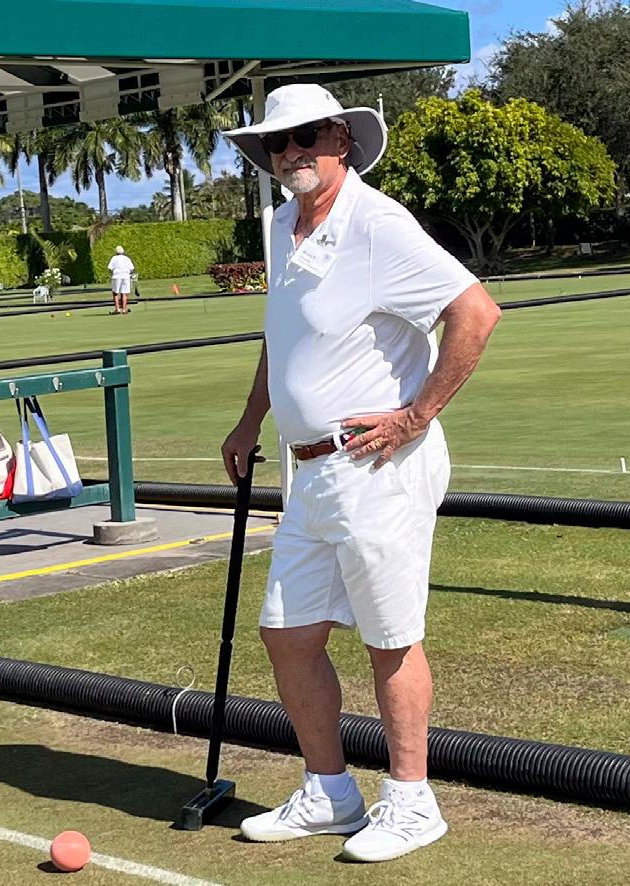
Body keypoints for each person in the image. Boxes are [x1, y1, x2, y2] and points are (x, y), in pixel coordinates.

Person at [220, 84, 500, 863]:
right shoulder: (283, 227)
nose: (290, 152)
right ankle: (331, 793)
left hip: (378, 465)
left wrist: (415, 416)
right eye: (276, 143)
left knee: (390, 639)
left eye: (306, 135)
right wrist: (251, 419)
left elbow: (476, 312)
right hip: (309, 472)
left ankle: (412, 804)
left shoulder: (377, 224)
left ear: (341, 140)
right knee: (287, 635)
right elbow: (284, 336)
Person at [106, 246, 134, 314]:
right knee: (124, 293)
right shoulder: (127, 258)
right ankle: (124, 309)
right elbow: (132, 269)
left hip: (116, 276)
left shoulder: (114, 258)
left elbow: (110, 268)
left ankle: (117, 309)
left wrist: (112, 274)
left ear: (116, 252)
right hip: (126, 276)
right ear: (123, 252)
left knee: (115, 293)